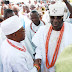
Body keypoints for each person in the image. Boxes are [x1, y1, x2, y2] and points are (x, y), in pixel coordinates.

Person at [32, 2, 72, 72]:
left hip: (64, 68)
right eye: (52, 18)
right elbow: (39, 48)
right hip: (47, 67)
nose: (55, 21)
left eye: (58, 18)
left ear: (63, 17)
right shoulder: (43, 30)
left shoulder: (70, 29)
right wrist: (38, 57)